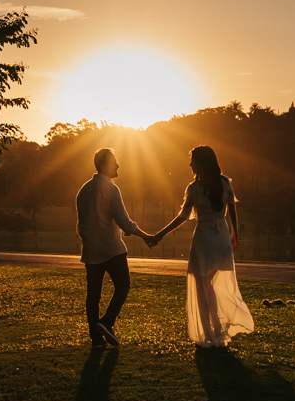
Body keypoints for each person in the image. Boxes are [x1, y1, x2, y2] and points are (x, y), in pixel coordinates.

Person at [151, 146, 254, 347]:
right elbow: (232, 208)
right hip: (222, 236)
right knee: (213, 287)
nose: (190, 164)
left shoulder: (194, 188)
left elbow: (182, 217)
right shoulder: (224, 183)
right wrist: (234, 234)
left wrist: (160, 234)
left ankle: (208, 334)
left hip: (205, 238)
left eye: (193, 160)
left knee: (202, 288)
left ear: (201, 163)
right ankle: (217, 330)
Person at [76, 148, 156, 347]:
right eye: (115, 162)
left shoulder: (84, 190)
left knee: (93, 294)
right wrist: (145, 236)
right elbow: (124, 221)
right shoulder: (111, 189)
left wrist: (89, 239)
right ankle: (107, 321)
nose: (118, 165)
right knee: (123, 285)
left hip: (91, 250)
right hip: (111, 249)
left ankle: (96, 338)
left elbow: (81, 224)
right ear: (104, 166)